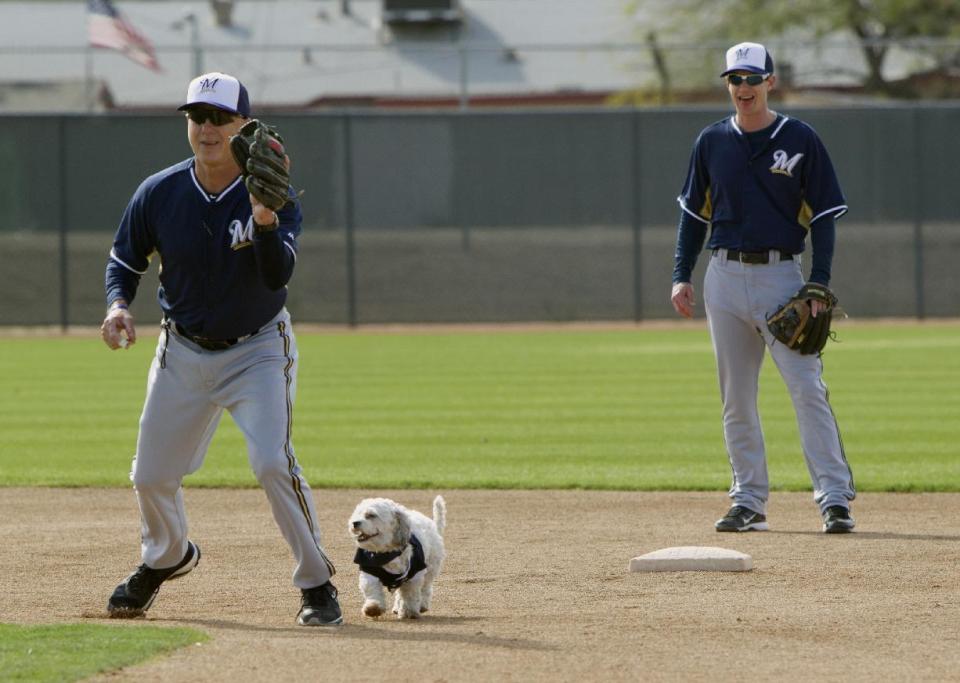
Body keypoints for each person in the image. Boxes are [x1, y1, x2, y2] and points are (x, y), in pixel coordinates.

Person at [99, 72, 343, 624]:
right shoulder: (159, 192)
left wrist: (263, 218)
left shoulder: (274, 196)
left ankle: (317, 584)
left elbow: (278, 274)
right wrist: (117, 305)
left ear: (243, 126)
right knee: (150, 475)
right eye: (197, 117)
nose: (207, 128)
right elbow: (125, 259)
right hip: (180, 350)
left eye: (219, 117)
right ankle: (167, 557)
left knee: (271, 462)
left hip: (257, 349)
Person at [670, 43, 856, 534]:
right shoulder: (711, 141)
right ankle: (748, 500)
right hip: (724, 277)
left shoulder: (799, 138)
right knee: (736, 397)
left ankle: (835, 498)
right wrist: (680, 275)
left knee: (806, 389)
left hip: (781, 277)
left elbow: (824, 217)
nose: (744, 88)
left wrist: (819, 280)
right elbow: (693, 217)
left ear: (771, 81)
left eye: (753, 78)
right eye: (736, 79)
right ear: (728, 84)